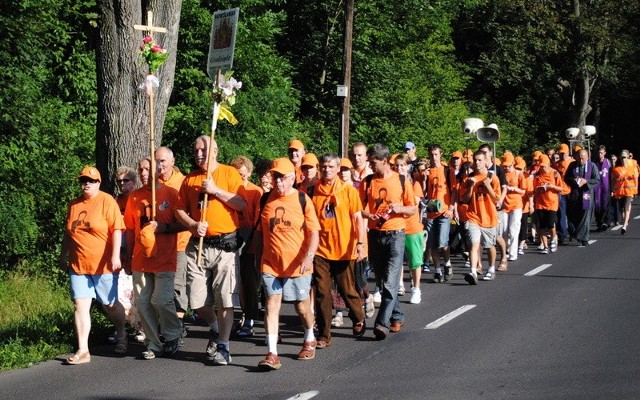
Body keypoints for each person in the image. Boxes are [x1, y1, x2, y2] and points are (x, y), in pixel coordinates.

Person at [175, 135, 247, 366]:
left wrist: (215, 190)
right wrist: (193, 225)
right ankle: (215, 329)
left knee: (225, 298)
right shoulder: (189, 179)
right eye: (195, 151)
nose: (199, 155)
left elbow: (241, 203)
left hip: (225, 246)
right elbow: (179, 211)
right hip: (198, 246)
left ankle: (224, 347)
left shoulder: (229, 173)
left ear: (214, 150)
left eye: (203, 150)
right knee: (195, 300)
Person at [255, 158, 320, 370]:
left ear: (292, 178)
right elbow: (259, 233)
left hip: (297, 265)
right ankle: (272, 353)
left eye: (282, 177)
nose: (278, 182)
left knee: (301, 306)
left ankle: (309, 337)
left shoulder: (302, 199)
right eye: (275, 177)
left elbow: (314, 232)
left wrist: (309, 256)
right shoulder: (266, 200)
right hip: (271, 264)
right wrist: (256, 258)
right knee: (272, 305)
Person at [58, 166, 127, 364]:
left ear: (98, 182)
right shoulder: (74, 205)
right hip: (78, 264)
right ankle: (83, 350)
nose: (86, 183)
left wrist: (115, 256)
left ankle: (121, 333)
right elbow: (68, 233)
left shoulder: (107, 201)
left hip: (103, 264)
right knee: (80, 304)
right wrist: (63, 256)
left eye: (91, 180)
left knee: (110, 305)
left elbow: (116, 230)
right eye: (83, 180)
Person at [123, 148, 185, 360]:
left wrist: (164, 227)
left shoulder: (171, 194)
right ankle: (153, 343)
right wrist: (128, 258)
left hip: (165, 257)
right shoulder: (134, 197)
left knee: (162, 299)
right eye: (140, 169)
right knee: (143, 302)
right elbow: (131, 230)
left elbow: (183, 224)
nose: (143, 173)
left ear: (158, 169)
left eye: (147, 169)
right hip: (141, 259)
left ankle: (173, 333)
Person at [308, 153, 367, 348]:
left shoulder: (348, 191)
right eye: (324, 166)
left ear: (338, 169)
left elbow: (358, 218)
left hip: (343, 248)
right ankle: (324, 335)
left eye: (331, 167)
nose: (327, 170)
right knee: (322, 292)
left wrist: (360, 243)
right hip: (321, 250)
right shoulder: (312, 191)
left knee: (347, 289)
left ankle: (359, 317)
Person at [359, 143, 416, 340]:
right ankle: (397, 315)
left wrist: (400, 209)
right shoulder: (368, 182)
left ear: (385, 161)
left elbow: (413, 209)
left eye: (373, 162)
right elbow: (360, 209)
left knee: (391, 282)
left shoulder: (401, 180)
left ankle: (381, 323)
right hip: (375, 235)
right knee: (384, 281)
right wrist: (371, 216)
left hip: (396, 235)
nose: (370, 165)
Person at [155, 147, 191, 337]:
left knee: (177, 286)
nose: (159, 165)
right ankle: (165, 324)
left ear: (172, 161)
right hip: (156, 245)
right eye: (156, 161)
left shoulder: (182, 182)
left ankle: (179, 323)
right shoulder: (153, 185)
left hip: (179, 243)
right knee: (160, 288)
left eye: (162, 161)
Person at [230, 155, 263, 337]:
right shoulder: (228, 189)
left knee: (249, 279)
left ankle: (250, 317)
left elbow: (258, 219)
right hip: (230, 236)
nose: (239, 178)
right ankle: (241, 315)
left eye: (242, 175)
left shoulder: (255, 192)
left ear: (249, 174)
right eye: (235, 174)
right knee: (235, 280)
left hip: (249, 237)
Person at [458, 151, 501, 284]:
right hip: (473, 216)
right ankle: (473, 270)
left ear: (485, 161)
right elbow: (464, 199)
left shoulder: (492, 178)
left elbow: (497, 201)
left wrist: (488, 187)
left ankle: (491, 269)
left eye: (480, 160)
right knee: (473, 244)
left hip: (489, 217)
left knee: (489, 246)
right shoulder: (468, 178)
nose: (477, 163)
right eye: (475, 160)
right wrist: (471, 186)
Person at [394, 154, 425, 304]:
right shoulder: (392, 183)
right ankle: (399, 285)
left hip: (412, 227)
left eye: (402, 165)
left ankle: (416, 288)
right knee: (396, 260)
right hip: (396, 227)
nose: (399, 168)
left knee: (414, 261)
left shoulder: (414, 184)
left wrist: (399, 208)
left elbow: (414, 205)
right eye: (396, 166)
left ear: (407, 167)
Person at [423, 144, 456, 283]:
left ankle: (447, 263)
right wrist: (423, 179)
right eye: (431, 154)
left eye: (436, 154)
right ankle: (437, 271)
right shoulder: (427, 172)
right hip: (431, 212)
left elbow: (453, 190)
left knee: (442, 243)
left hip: (444, 212)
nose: (434, 157)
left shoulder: (448, 170)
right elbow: (424, 193)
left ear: (440, 154)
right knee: (432, 244)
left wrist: (451, 208)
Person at [565, 149, 600, 247]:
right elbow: (566, 178)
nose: (581, 161)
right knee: (574, 215)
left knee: (586, 215)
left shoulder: (592, 166)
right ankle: (576, 233)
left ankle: (584, 238)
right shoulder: (572, 165)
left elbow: (597, 179)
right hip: (575, 193)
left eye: (583, 159)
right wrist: (574, 181)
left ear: (587, 158)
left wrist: (586, 181)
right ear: (576, 157)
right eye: (579, 158)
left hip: (587, 193)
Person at [533, 155, 564, 253]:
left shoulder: (554, 173)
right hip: (540, 202)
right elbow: (533, 189)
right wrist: (539, 189)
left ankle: (554, 238)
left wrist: (552, 186)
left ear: (548, 164)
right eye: (541, 166)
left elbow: (561, 188)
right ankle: (545, 246)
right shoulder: (537, 175)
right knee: (542, 225)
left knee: (551, 223)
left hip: (552, 202)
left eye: (544, 166)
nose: (543, 168)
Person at [501, 152, 526, 263]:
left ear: (513, 164)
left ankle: (513, 253)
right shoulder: (502, 174)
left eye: (508, 166)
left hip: (516, 204)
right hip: (505, 205)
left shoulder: (519, 174)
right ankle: (506, 249)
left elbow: (523, 191)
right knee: (504, 231)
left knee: (513, 229)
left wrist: (514, 189)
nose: (506, 168)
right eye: (504, 165)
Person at [612, 150, 636, 235]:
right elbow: (613, 181)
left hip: (629, 191)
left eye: (625, 157)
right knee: (622, 209)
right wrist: (613, 190)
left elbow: (636, 179)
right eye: (621, 157)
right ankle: (626, 219)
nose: (623, 159)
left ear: (628, 157)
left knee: (626, 207)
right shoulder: (617, 169)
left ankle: (624, 226)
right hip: (620, 192)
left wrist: (635, 190)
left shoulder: (632, 168)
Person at [553, 144, 573, 244]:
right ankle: (562, 235)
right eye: (560, 153)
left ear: (568, 152)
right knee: (561, 214)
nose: (562, 155)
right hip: (561, 192)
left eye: (563, 153)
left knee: (571, 213)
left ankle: (573, 231)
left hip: (572, 191)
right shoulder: (556, 165)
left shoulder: (572, 162)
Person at [593, 145, 612, 231]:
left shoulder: (608, 162)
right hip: (597, 188)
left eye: (601, 153)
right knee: (597, 205)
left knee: (605, 205)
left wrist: (612, 189)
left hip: (606, 187)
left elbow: (611, 176)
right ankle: (599, 223)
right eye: (598, 153)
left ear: (604, 153)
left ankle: (605, 222)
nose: (600, 154)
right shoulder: (594, 163)